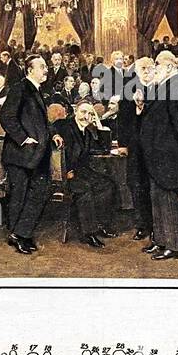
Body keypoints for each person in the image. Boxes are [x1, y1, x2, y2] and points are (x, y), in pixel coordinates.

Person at [0, 54, 57, 255]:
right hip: (21, 153)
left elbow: (41, 122)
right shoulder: (20, 88)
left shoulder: (37, 90)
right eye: (42, 67)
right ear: (30, 70)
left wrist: (54, 134)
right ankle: (18, 235)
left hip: (37, 154)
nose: (46, 70)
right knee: (19, 195)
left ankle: (21, 233)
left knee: (40, 191)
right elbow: (6, 116)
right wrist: (23, 138)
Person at [139, 51, 178, 261]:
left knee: (167, 200)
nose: (154, 68)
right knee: (157, 198)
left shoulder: (176, 86)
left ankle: (175, 245)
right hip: (157, 155)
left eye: (158, 64)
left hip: (167, 155)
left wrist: (176, 149)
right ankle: (161, 241)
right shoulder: (164, 85)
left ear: (169, 67)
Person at [53, 101, 120, 248]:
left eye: (90, 114)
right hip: (65, 174)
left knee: (108, 185)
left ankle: (102, 225)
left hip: (81, 171)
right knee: (85, 189)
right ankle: (88, 233)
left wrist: (99, 126)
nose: (86, 116)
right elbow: (52, 128)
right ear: (76, 111)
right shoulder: (64, 125)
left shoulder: (88, 131)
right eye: (83, 112)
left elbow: (103, 148)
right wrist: (55, 135)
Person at [115, 65, 154, 241]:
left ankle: (155, 225)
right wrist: (123, 144)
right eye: (143, 69)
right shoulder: (128, 89)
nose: (147, 72)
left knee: (153, 186)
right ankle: (141, 225)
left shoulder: (158, 89)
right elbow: (122, 120)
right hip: (135, 146)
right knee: (136, 184)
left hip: (153, 147)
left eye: (150, 69)